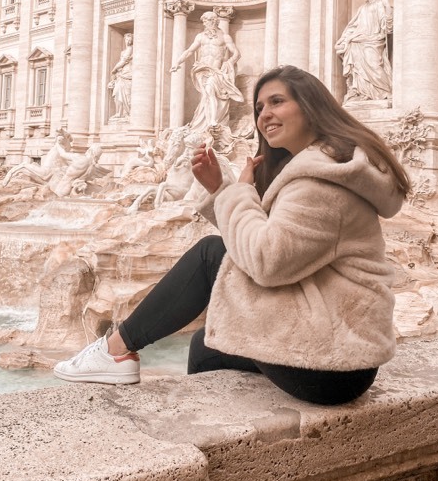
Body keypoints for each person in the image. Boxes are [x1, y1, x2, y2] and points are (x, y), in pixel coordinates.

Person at [54, 65, 410, 406]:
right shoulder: (329, 168)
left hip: (332, 363)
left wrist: (235, 192)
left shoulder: (320, 181)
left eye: (277, 101)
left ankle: (116, 350)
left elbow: (265, 261)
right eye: (259, 107)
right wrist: (223, 189)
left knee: (212, 254)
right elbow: (272, 242)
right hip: (338, 349)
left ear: (311, 107)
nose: (264, 114)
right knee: (206, 347)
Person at [170, 10, 244, 132]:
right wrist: (178, 62)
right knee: (206, 96)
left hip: (215, 70)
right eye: (203, 21)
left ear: (214, 21)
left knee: (210, 91)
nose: (204, 24)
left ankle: (213, 120)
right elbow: (189, 51)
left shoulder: (224, 37)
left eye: (206, 21)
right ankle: (207, 120)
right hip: (201, 70)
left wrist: (229, 62)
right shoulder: (200, 37)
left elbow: (237, 53)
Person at [335, 0, 393, 102]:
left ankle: (385, 91)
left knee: (374, 65)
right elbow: (354, 25)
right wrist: (344, 38)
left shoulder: (380, 4)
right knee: (358, 68)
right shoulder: (362, 8)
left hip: (374, 39)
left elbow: (387, 24)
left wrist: (387, 5)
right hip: (359, 39)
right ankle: (362, 92)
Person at [108, 33, 134, 119]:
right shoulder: (123, 51)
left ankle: (127, 113)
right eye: (126, 39)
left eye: (129, 38)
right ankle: (119, 113)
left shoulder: (131, 49)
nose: (128, 41)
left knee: (127, 94)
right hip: (122, 74)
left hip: (128, 72)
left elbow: (123, 61)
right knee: (117, 92)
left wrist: (114, 70)